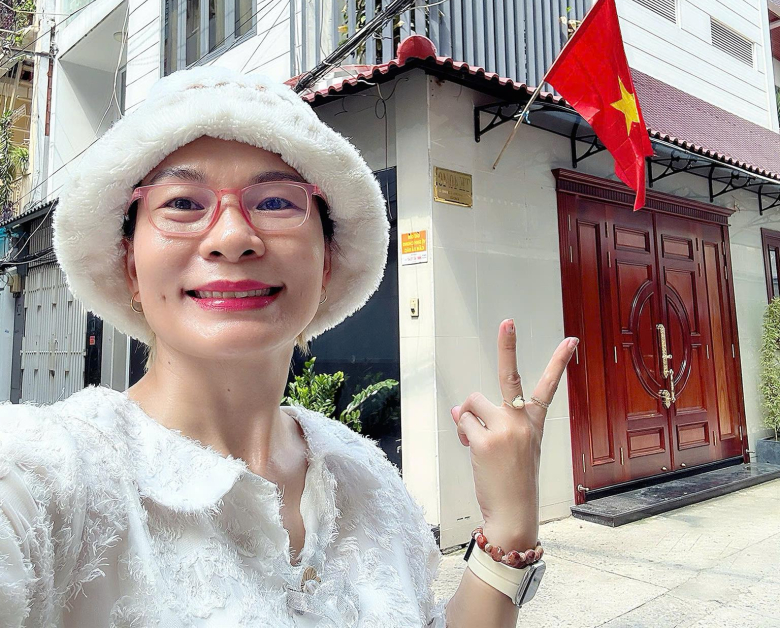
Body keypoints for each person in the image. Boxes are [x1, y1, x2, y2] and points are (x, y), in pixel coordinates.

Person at [0, 65, 577, 627]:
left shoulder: (367, 477)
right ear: (130, 264)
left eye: (276, 202)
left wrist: (509, 524)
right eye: (182, 203)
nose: (232, 237)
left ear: (327, 263)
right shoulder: (47, 474)